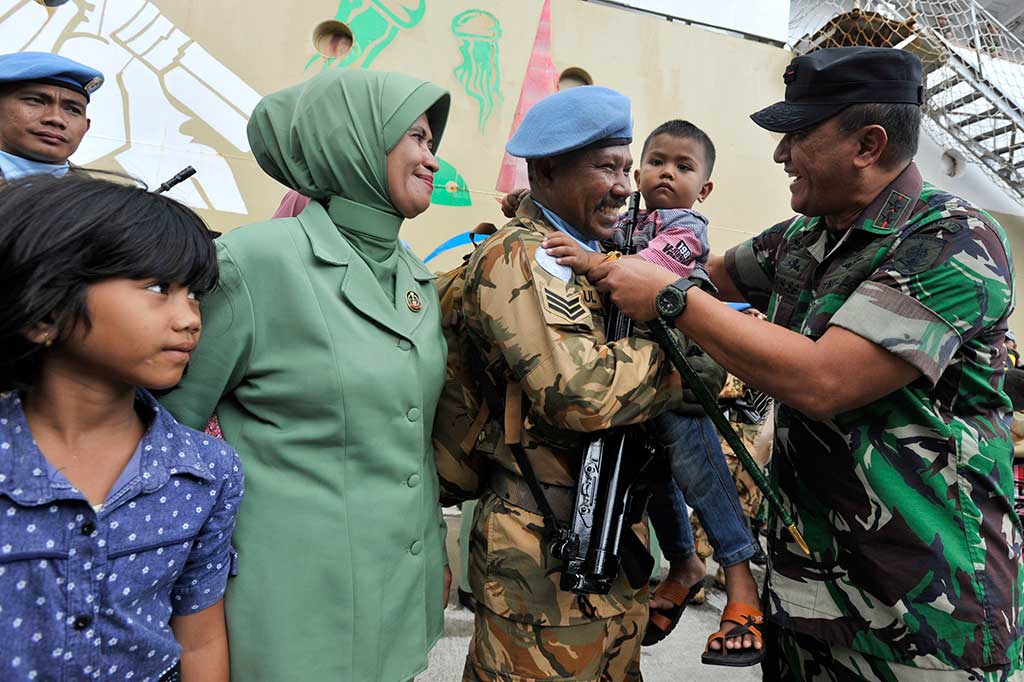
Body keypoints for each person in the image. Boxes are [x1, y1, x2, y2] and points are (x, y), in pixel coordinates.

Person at [590, 46, 1023, 680]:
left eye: (797, 136)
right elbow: (705, 271)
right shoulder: (805, 237)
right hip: (807, 596)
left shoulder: (953, 240)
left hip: (923, 616)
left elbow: (827, 379)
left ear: (868, 145)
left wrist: (669, 299)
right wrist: (600, 241)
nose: (779, 154)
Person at [160, 68, 453, 681]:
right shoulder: (257, 261)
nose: (431, 159)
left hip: (398, 595)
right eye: (417, 138)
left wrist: (433, 552)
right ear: (353, 138)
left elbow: (409, 441)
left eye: (433, 142)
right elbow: (168, 432)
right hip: (289, 606)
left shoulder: (413, 276)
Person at [460, 85, 698, 682]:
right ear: (544, 170)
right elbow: (583, 395)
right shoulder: (523, 256)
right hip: (541, 551)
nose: (625, 186)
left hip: (606, 535)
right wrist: (692, 350)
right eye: (604, 168)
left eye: (626, 167)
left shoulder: (599, 252)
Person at [533, 119, 764, 662]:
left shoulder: (687, 229)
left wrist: (595, 261)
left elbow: (645, 271)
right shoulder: (630, 220)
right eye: (658, 161)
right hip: (641, 379)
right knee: (655, 477)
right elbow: (591, 229)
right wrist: (533, 205)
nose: (667, 173)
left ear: (703, 189)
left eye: (684, 167)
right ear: (639, 172)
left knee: (701, 473)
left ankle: (740, 580)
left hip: (682, 377)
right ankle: (683, 562)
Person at [0, 174, 243, 681]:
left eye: (194, 293)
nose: (190, 318)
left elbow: (199, 639)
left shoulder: (206, 471)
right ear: (44, 309)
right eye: (158, 288)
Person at [0, 51, 102, 183]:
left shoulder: (103, 198)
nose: (56, 119)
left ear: (86, 127)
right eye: (36, 101)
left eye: (73, 110)